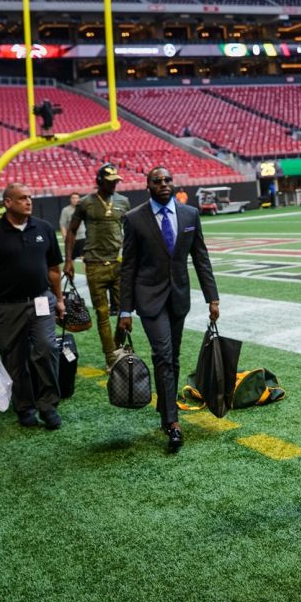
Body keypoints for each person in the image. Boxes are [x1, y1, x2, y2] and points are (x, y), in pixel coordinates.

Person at [118, 167, 221, 453]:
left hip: (178, 297)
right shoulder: (134, 218)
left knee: (173, 357)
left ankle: (164, 407)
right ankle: (172, 423)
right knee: (163, 354)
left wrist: (212, 298)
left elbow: (201, 259)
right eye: (157, 181)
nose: (163, 184)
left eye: (167, 180)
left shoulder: (189, 214)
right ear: (148, 186)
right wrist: (125, 310)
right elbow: (128, 267)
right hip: (148, 297)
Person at [0, 183, 65, 430]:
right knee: (15, 359)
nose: (28, 201)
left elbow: (54, 269)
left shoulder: (43, 228)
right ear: (7, 203)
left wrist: (60, 299)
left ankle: (48, 405)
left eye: (30, 197)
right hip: (7, 306)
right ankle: (24, 407)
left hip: (41, 301)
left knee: (46, 349)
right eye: (22, 198)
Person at [64, 164, 132, 369]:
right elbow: (72, 231)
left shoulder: (123, 201)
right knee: (102, 313)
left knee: (124, 312)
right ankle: (111, 357)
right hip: (94, 265)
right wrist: (68, 260)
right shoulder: (85, 203)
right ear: (99, 181)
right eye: (110, 182)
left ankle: (118, 347)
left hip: (119, 264)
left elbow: (131, 232)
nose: (114, 185)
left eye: (116, 182)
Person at [59, 193, 86, 262]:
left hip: (82, 238)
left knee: (85, 259)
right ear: (70, 200)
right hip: (71, 238)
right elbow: (62, 224)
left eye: (76, 198)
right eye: (73, 198)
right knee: (70, 260)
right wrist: (65, 237)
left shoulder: (83, 208)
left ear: (79, 199)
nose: (75, 200)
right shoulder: (65, 210)